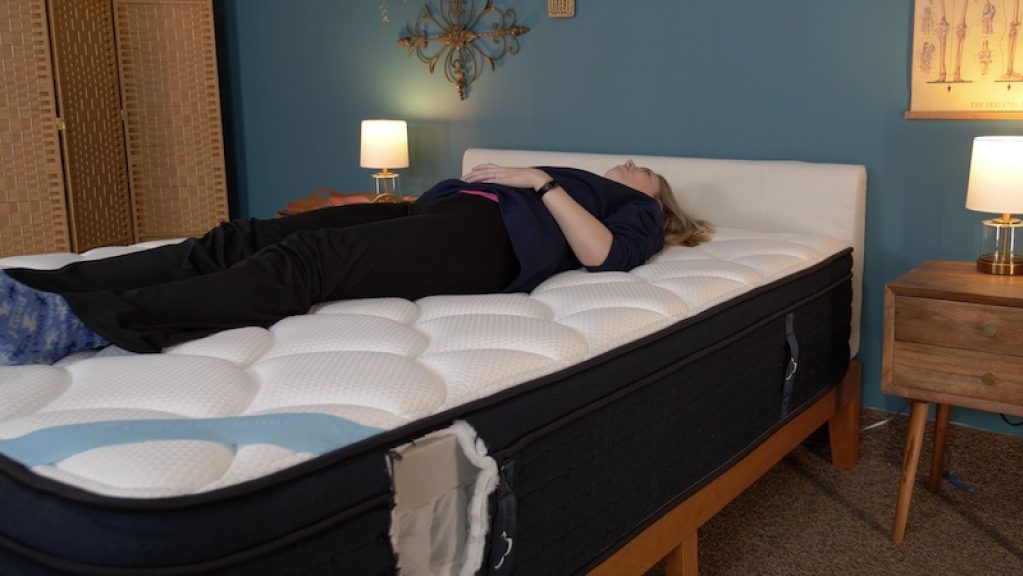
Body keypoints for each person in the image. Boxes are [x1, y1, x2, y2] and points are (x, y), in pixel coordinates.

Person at [0, 161, 712, 366]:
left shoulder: (634, 210)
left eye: (646, 169)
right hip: (434, 212)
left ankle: (80, 324)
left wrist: (539, 182)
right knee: (246, 234)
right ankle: (41, 288)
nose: (632, 164)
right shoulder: (604, 185)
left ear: (660, 200)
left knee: (308, 259)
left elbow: (604, 258)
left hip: (484, 241)